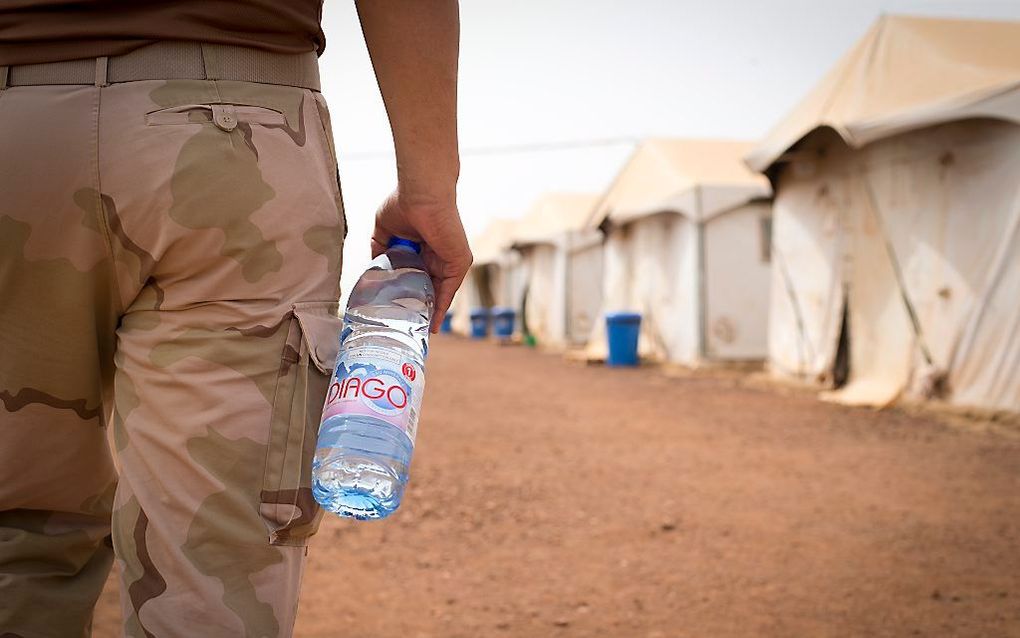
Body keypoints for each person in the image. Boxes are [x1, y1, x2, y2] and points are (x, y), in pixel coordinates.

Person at [0, 1, 471, 635]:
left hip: (15, 129)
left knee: (16, 538)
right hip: (239, 131)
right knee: (216, 559)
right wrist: (429, 186)